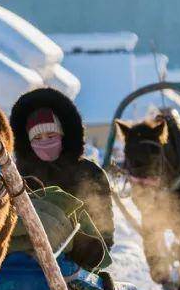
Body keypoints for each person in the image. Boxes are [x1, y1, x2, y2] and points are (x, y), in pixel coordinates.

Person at [9, 87, 115, 272]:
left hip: (78, 264)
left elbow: (104, 228)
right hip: (23, 264)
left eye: (51, 136)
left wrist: (83, 249)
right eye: (38, 138)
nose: (45, 142)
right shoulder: (18, 177)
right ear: (27, 142)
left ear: (64, 135)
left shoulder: (89, 173)